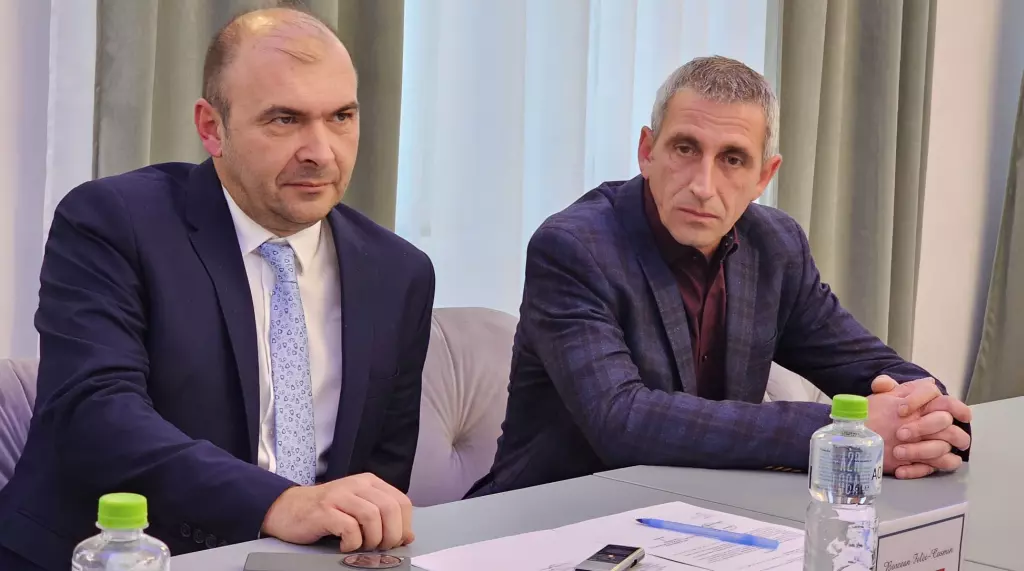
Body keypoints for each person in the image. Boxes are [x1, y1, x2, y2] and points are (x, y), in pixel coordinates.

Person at [0, 7, 433, 570]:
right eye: (284, 120)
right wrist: (275, 502)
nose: (321, 151)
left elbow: (376, 480)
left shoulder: (398, 272)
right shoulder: (114, 222)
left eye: (341, 117)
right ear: (211, 128)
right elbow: (95, 414)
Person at [468, 56, 971, 497]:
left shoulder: (776, 246)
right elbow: (623, 421)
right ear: (647, 151)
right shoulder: (573, 248)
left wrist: (925, 415)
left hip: (705, 523)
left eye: (732, 159)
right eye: (685, 149)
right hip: (548, 522)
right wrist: (841, 431)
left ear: (764, 176)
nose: (703, 186)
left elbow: (869, 365)